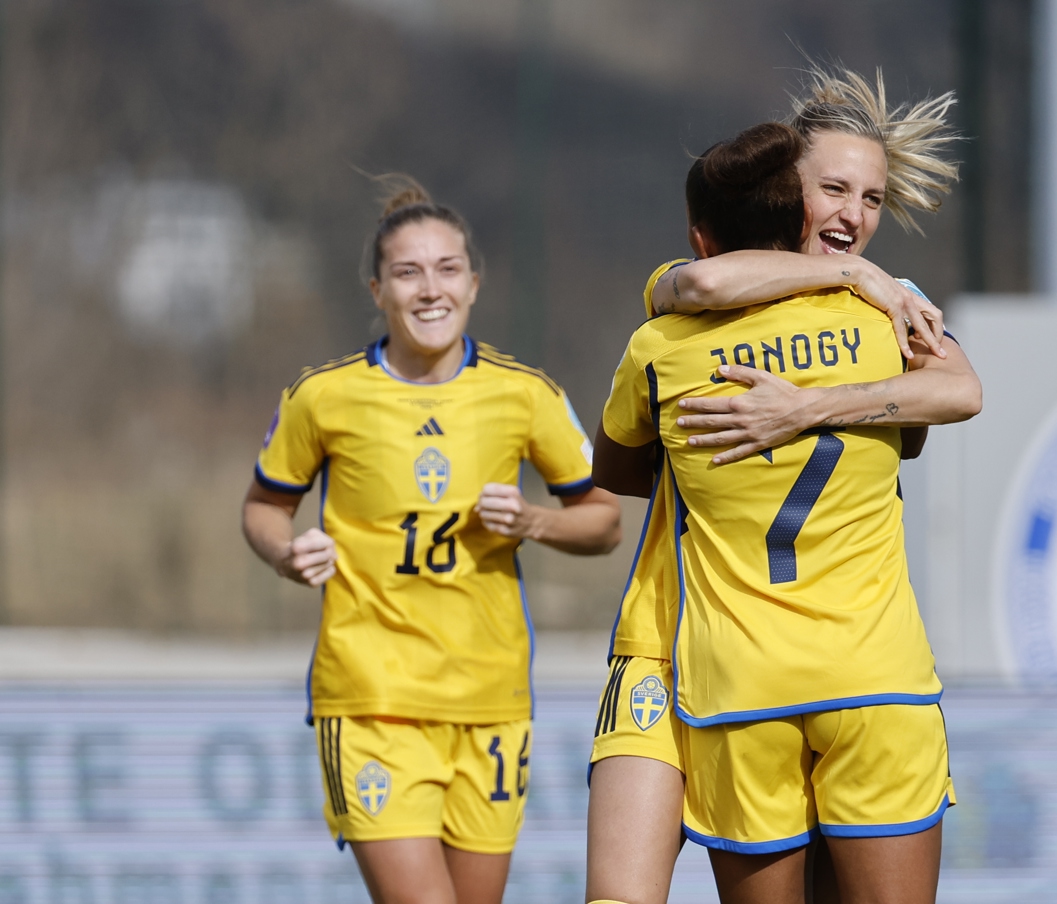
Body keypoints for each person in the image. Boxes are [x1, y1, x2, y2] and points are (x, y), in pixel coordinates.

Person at [586, 67, 980, 904]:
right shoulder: (881, 311)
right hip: (837, 669)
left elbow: (617, 467)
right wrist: (855, 283)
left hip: (742, 677)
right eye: (833, 189)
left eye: (872, 199)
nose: (854, 215)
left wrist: (805, 407)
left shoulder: (676, 337)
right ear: (781, 189)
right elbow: (956, 394)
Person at [242, 177, 621, 904]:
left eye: (447, 269)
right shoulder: (323, 396)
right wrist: (285, 552)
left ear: (474, 283)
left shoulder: (524, 394)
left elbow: (603, 520)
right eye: (408, 272)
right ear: (377, 289)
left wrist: (533, 521)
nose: (429, 289)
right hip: (371, 701)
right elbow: (263, 506)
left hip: (491, 702)